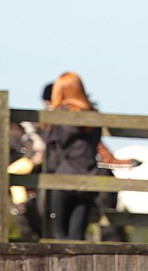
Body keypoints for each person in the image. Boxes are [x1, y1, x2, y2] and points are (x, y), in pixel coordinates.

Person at [42, 72, 101, 239]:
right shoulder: (94, 116)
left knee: (59, 234)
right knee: (77, 235)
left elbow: (50, 145)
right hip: (88, 178)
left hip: (63, 178)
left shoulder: (59, 116)